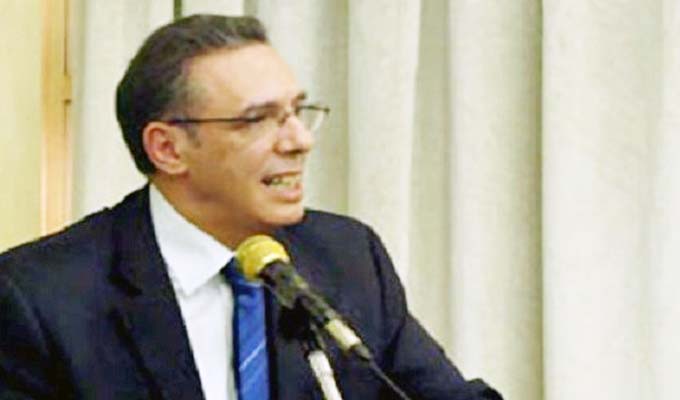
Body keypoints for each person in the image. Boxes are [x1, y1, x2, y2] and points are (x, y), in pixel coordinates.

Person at [0, 15, 502, 400]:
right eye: (259, 120)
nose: (299, 140)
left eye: (297, 111)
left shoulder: (347, 258)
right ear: (168, 149)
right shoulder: (41, 297)